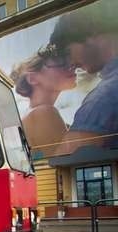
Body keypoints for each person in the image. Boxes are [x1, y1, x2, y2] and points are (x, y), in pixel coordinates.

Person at [49, 0, 118, 154]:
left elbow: (62, 162)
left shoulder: (105, 95)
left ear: (91, 32)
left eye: (68, 52)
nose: (71, 64)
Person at [10, 46, 77, 157]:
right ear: (32, 79)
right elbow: (65, 165)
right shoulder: (43, 112)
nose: (72, 66)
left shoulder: (34, 113)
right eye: (60, 63)